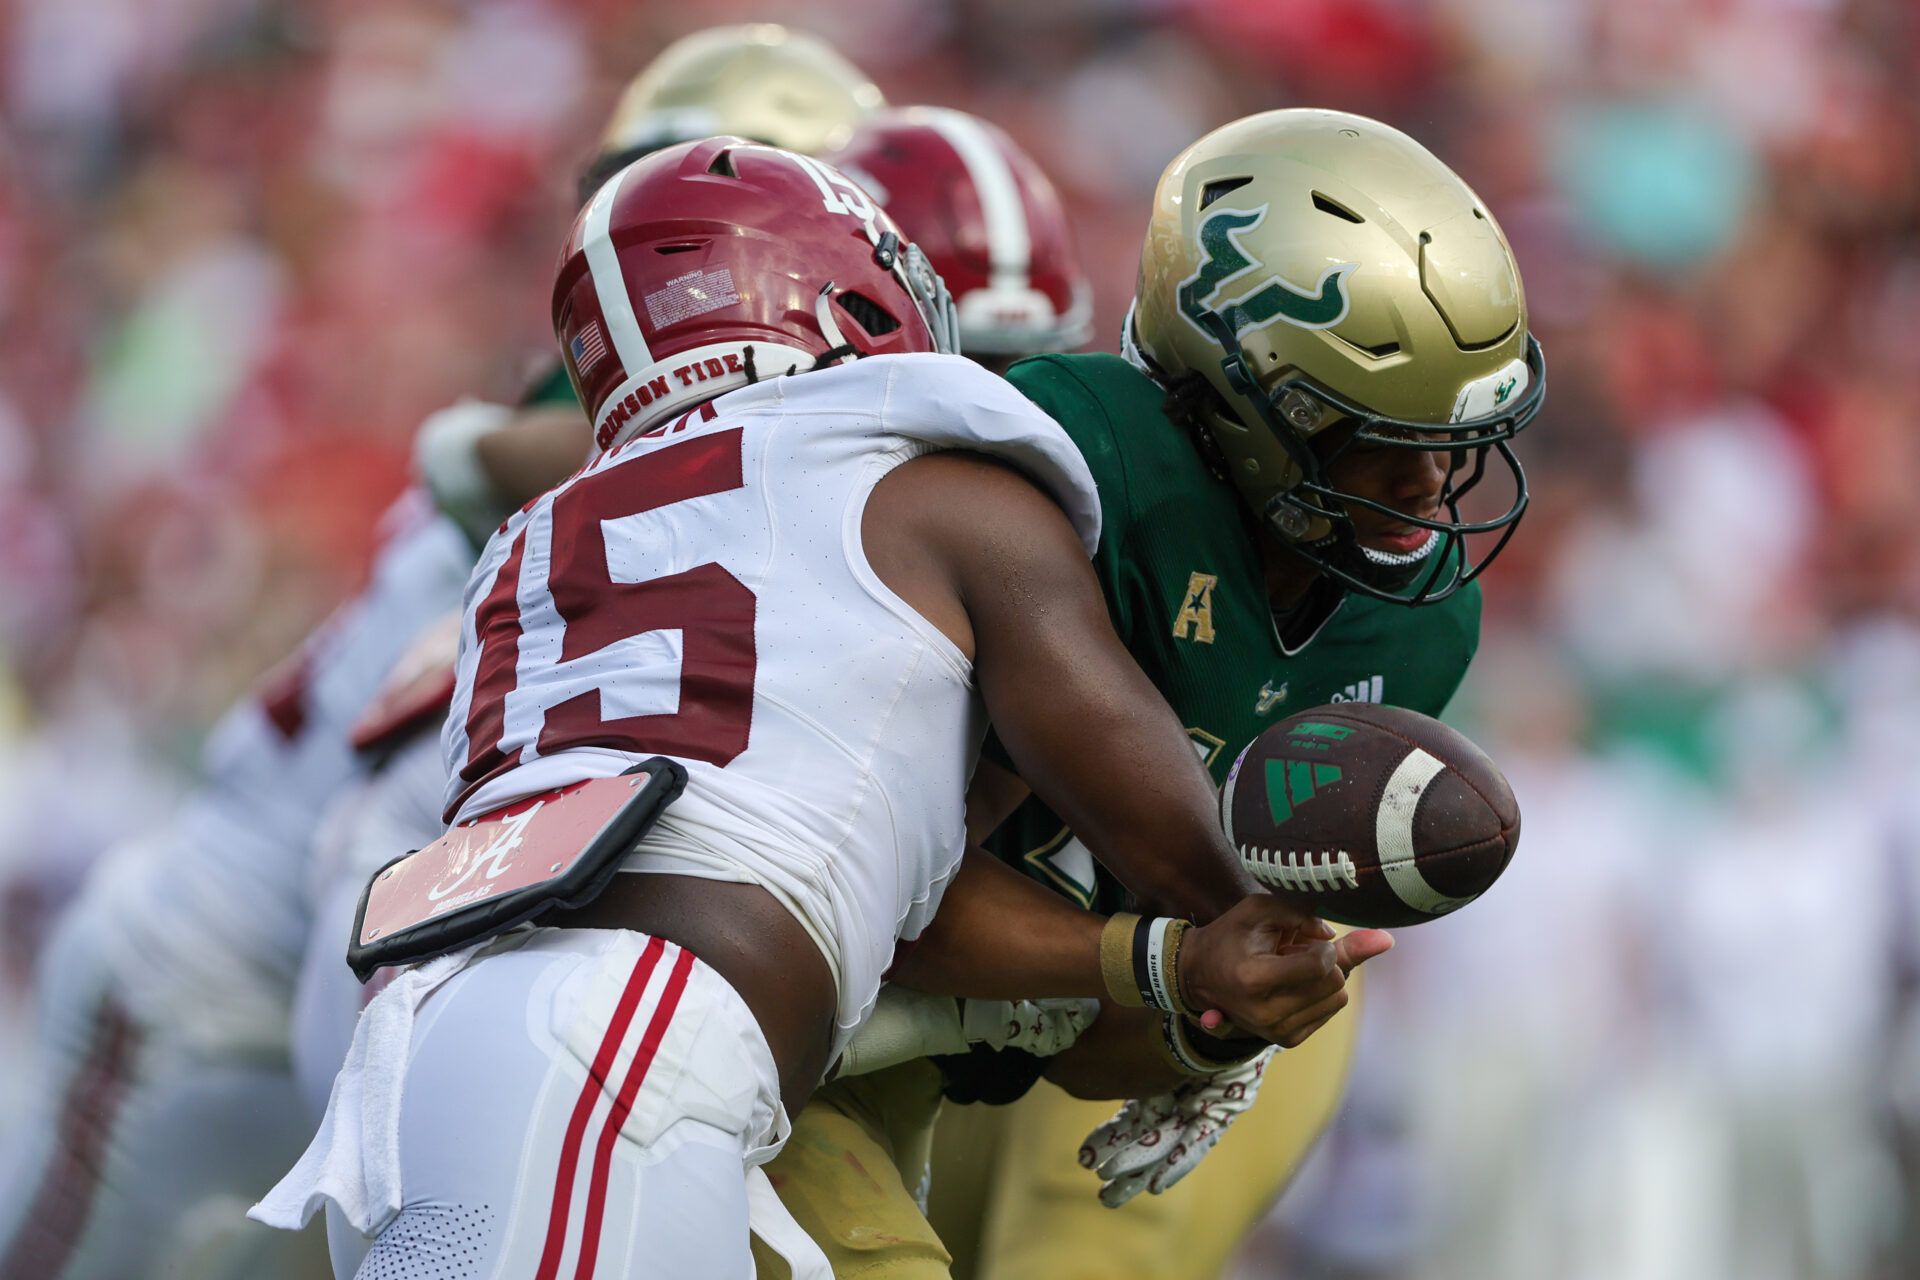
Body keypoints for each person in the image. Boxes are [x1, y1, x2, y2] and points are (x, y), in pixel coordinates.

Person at [253, 136, 1380, 1280]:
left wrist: (1115, 972)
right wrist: (1233, 924)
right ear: (852, 290)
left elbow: (799, 855)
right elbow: (1098, 738)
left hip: (422, 1059)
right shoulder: (931, 486)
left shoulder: (525, 549)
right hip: (624, 1047)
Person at [754, 107, 1545, 1280]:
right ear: (1240, 403)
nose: (1432, 487)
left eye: (1453, 440)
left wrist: (1211, 1026)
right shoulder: (1072, 474)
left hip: (1001, 1017)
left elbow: (1131, 1010)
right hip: (791, 1012)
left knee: (1309, 975)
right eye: (1380, 439)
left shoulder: (1418, 614)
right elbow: (878, 906)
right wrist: (1163, 966)